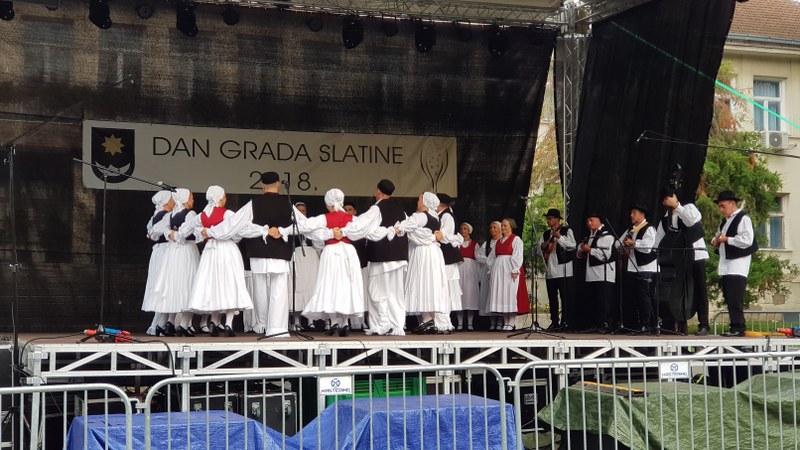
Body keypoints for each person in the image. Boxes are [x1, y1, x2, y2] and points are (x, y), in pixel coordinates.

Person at [333, 179, 408, 336]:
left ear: (378, 191)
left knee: (376, 290)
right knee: (395, 293)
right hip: (399, 256)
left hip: (381, 256)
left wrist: (344, 230)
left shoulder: (376, 209)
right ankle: (397, 325)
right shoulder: (401, 210)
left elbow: (361, 225)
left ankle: (382, 323)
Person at [288, 189, 364, 337]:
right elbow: (365, 228)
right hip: (348, 252)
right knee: (346, 285)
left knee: (330, 285)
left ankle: (334, 322)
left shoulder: (325, 218)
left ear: (328, 203)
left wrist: (291, 221)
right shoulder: (352, 219)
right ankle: (344, 323)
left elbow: (305, 225)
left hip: (331, 252)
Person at [187, 186, 253, 336]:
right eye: (224, 197)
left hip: (210, 253)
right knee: (230, 284)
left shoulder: (202, 216)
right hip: (226, 250)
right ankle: (228, 323)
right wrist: (262, 230)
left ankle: (213, 320)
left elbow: (187, 229)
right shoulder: (227, 213)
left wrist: (203, 232)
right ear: (221, 198)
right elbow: (240, 229)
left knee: (215, 285)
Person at [241, 172, 294, 337]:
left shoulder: (253, 204)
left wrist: (263, 230)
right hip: (280, 250)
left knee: (259, 288)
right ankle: (277, 327)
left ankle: (262, 324)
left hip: (259, 250)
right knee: (279, 288)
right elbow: (302, 225)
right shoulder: (288, 203)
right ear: (278, 184)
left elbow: (241, 226)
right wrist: (282, 231)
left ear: (262, 185)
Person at [656, 193, 710, 335]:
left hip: (696, 254)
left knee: (699, 289)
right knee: (680, 290)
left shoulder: (688, 208)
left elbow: (692, 221)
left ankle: (704, 324)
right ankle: (681, 324)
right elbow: (659, 241)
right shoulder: (665, 220)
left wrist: (677, 206)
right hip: (678, 259)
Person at [400, 192, 450, 334]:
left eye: (420, 199)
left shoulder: (420, 216)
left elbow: (407, 227)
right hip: (433, 252)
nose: (418, 201)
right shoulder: (436, 217)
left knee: (421, 281)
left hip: (422, 252)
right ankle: (430, 319)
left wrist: (399, 225)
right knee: (430, 283)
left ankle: (428, 319)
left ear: (426, 202)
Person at [155, 188, 201, 337]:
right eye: (191, 197)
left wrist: (170, 234)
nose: (193, 200)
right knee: (189, 285)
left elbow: (158, 230)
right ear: (185, 198)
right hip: (187, 250)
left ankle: (167, 322)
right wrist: (176, 235)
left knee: (175, 286)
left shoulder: (170, 215)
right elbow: (188, 232)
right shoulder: (190, 214)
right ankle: (183, 324)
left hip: (174, 252)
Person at [711, 190, 757, 337]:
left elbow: (747, 240)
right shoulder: (724, 222)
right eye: (719, 206)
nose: (721, 209)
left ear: (732, 204)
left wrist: (727, 240)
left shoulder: (743, 219)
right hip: (726, 263)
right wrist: (716, 241)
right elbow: (718, 236)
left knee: (735, 297)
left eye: (723, 206)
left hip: (738, 264)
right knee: (729, 296)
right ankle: (734, 326)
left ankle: (739, 327)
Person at [617, 205, 657, 333]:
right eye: (631, 213)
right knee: (634, 296)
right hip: (632, 267)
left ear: (642, 215)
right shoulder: (630, 230)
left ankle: (647, 324)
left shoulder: (649, 228)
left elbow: (648, 246)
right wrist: (623, 244)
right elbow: (617, 244)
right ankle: (635, 324)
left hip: (646, 267)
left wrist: (634, 243)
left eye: (634, 213)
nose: (631, 215)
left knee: (644, 296)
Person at [141, 190, 175, 336]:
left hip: (158, 252)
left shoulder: (155, 216)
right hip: (165, 252)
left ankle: (158, 324)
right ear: (166, 202)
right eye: (172, 199)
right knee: (164, 287)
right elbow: (155, 233)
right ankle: (158, 324)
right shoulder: (166, 216)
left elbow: (150, 234)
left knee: (161, 287)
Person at [536, 208, 576, 331]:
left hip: (564, 270)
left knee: (565, 298)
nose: (548, 221)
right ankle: (554, 322)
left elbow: (572, 245)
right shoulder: (546, 234)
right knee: (552, 298)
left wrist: (560, 237)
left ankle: (566, 322)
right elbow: (538, 250)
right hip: (550, 271)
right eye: (547, 218)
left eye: (550, 218)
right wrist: (543, 247)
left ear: (558, 219)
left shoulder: (566, 231)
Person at [576, 213, 616, 333]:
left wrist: (590, 250)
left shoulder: (607, 236)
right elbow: (579, 253)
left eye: (591, 220)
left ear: (599, 221)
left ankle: (605, 324)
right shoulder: (589, 237)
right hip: (591, 274)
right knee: (593, 300)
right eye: (587, 221)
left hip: (603, 273)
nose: (589, 223)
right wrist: (581, 251)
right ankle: (594, 324)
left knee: (604, 301)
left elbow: (605, 255)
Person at [487, 218, 524, 331]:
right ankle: (505, 322)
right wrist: (491, 270)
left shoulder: (516, 239)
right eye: (502, 225)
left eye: (505, 226)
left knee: (510, 293)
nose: (502, 227)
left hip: (509, 269)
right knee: (502, 294)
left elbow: (517, 255)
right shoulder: (499, 241)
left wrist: (515, 270)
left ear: (511, 226)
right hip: (499, 270)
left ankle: (511, 322)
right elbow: (491, 257)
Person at [289, 202, 320, 331]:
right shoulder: (291, 226)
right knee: (298, 286)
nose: (301, 212)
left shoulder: (311, 224)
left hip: (311, 258)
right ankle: (297, 321)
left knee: (311, 286)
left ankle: (310, 320)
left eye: (303, 210)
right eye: (299, 210)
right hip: (297, 257)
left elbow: (318, 242)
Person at [435, 194, 464, 332]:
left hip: (448, 258)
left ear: (439, 204)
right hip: (443, 258)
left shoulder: (446, 216)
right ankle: (443, 320)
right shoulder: (441, 215)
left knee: (445, 288)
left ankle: (446, 320)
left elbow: (444, 236)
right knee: (442, 288)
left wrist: (436, 234)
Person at [476, 221, 502, 330]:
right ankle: (492, 322)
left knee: (498, 294)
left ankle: (500, 322)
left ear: (500, 229)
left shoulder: (502, 242)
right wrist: (489, 261)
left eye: (495, 227)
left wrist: (496, 263)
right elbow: (478, 255)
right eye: (491, 228)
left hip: (499, 271)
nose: (492, 229)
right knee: (488, 295)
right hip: (488, 271)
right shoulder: (487, 243)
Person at [458, 222, 481, 331]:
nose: (463, 231)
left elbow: (478, 258)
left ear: (469, 231)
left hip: (470, 271)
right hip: (459, 270)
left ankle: (470, 323)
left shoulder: (475, 244)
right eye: (462, 229)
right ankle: (460, 323)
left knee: (469, 296)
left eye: (465, 228)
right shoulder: (457, 243)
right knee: (460, 296)